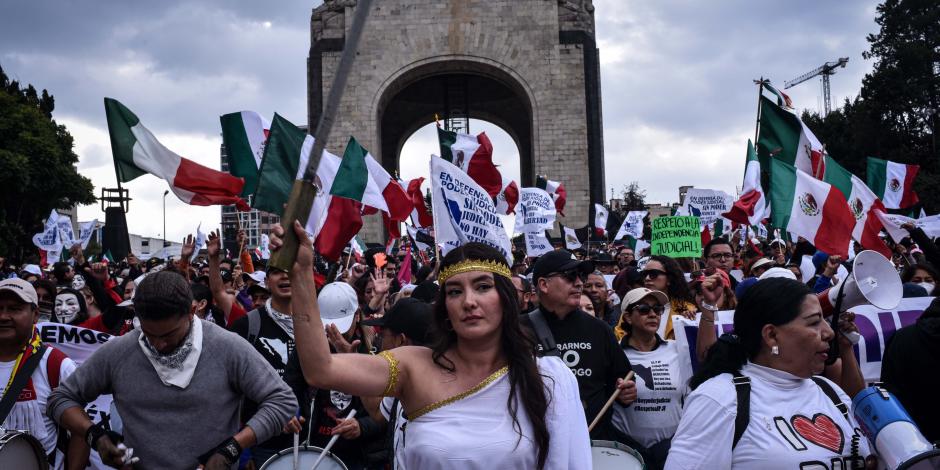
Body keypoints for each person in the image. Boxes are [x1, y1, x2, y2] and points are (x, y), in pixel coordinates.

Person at [273, 220, 591, 469]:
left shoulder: (548, 379)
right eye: (454, 291)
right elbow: (319, 369)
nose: (468, 301)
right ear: (445, 309)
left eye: (482, 287)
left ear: (506, 300)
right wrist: (301, 272)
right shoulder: (414, 366)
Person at [47, 270, 296, 470]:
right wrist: (95, 436)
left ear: (191, 312)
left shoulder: (226, 347)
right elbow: (61, 398)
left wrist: (232, 448)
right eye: (148, 333)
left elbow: (282, 401)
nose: (158, 343)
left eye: (168, 334)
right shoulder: (121, 351)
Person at [665, 278, 872, 469]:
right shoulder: (718, 398)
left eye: (824, 321)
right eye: (813, 322)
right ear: (771, 335)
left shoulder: (829, 390)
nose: (829, 332)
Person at [528, 249, 635, 441]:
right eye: (570, 276)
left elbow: (622, 379)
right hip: (534, 444)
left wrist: (626, 391)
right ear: (543, 284)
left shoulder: (599, 330)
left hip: (591, 443)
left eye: (580, 276)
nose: (579, 282)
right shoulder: (517, 330)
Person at [0, 278, 84, 470]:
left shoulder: (56, 364)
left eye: (14, 309)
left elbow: (80, 433)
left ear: (35, 315)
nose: (3, 316)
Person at [612, 288, 691, 470]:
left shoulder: (677, 348)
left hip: (672, 448)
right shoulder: (614, 352)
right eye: (644, 309)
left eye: (657, 309)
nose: (653, 314)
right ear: (628, 317)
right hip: (627, 452)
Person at [360, 297, 434, 469]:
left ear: (400, 340)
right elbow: (378, 413)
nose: (380, 343)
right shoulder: (401, 379)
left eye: (383, 335)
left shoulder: (440, 394)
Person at [641, 256, 696, 338]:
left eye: (654, 274)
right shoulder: (633, 307)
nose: (647, 278)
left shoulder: (688, 309)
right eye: (644, 274)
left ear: (669, 279)